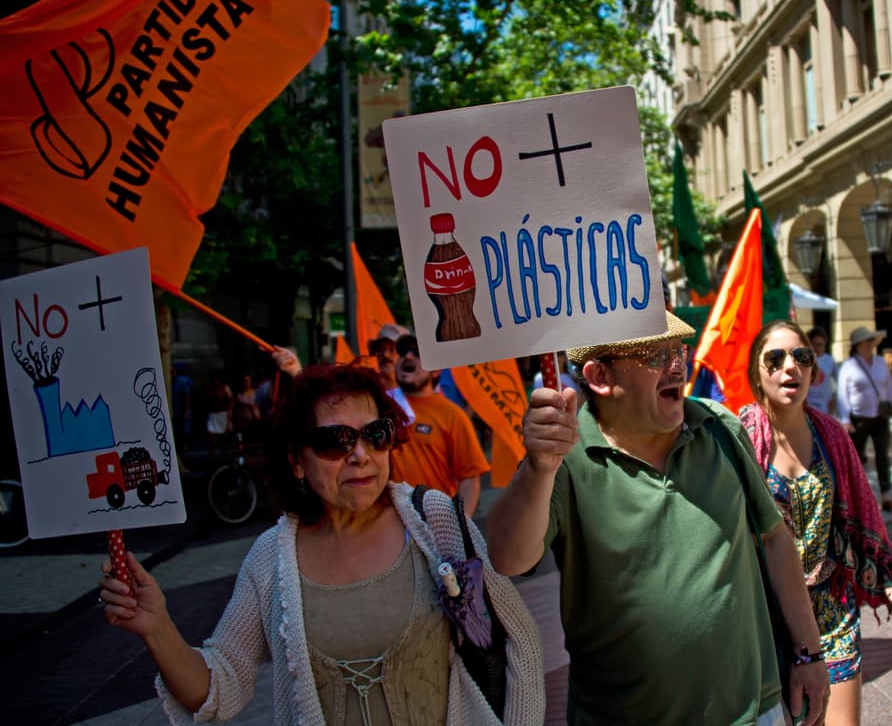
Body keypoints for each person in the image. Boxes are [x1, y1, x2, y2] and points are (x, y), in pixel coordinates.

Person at [97, 363, 544, 725]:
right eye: (336, 440)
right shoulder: (271, 559)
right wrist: (157, 627)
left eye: (376, 434)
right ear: (296, 462)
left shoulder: (436, 521)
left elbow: (516, 639)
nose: (360, 454)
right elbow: (220, 686)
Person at [486, 311, 830, 726]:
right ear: (600, 376)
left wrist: (809, 651)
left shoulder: (718, 427)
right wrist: (539, 467)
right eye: (654, 356)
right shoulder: (564, 456)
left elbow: (775, 538)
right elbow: (508, 559)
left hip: (754, 711)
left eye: (677, 350)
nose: (676, 365)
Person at [738, 321, 892, 726]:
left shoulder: (831, 435)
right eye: (775, 359)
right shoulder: (743, 437)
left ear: (814, 370)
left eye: (801, 357)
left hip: (832, 607)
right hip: (768, 615)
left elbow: (865, 526)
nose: (789, 368)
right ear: (757, 373)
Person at [390, 332, 490, 517]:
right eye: (403, 352)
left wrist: (460, 526)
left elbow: (469, 477)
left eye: (417, 353)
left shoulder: (453, 415)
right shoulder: (380, 405)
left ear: (436, 370)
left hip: (432, 523)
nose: (408, 356)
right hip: (385, 526)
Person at [837, 326, 892, 512]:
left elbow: (889, 389)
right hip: (858, 419)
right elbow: (843, 393)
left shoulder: (880, 362)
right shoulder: (848, 366)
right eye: (867, 341)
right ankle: (858, 498)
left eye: (872, 340)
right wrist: (845, 418)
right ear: (858, 345)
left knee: (883, 455)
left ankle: (886, 495)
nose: (871, 343)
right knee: (856, 458)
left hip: (880, 416)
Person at [805, 327, 837, 416]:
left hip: (826, 407)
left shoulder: (830, 361)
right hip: (808, 407)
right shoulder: (805, 360)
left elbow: (839, 383)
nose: (818, 348)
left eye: (821, 344)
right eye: (815, 344)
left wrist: (834, 400)